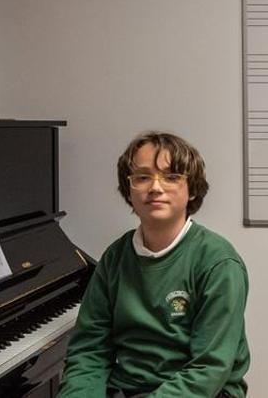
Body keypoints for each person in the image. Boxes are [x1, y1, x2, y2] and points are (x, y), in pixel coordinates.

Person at [60, 132, 249, 398]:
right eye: (143, 177)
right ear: (129, 189)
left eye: (171, 177)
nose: (155, 187)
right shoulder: (114, 259)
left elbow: (209, 368)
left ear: (192, 188)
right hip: (129, 388)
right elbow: (89, 352)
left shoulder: (218, 263)